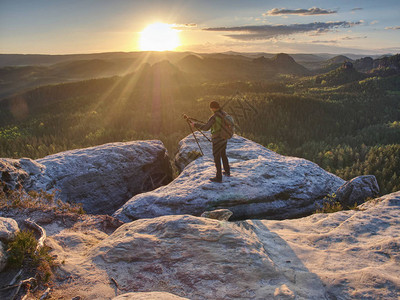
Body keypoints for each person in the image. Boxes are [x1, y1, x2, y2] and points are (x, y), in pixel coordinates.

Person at [189, 101, 230, 182]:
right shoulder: (224, 114)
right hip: (224, 138)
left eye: (211, 108)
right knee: (223, 154)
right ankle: (227, 171)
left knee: (217, 157)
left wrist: (195, 125)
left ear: (213, 108)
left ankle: (218, 177)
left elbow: (206, 128)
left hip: (217, 139)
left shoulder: (214, 116)